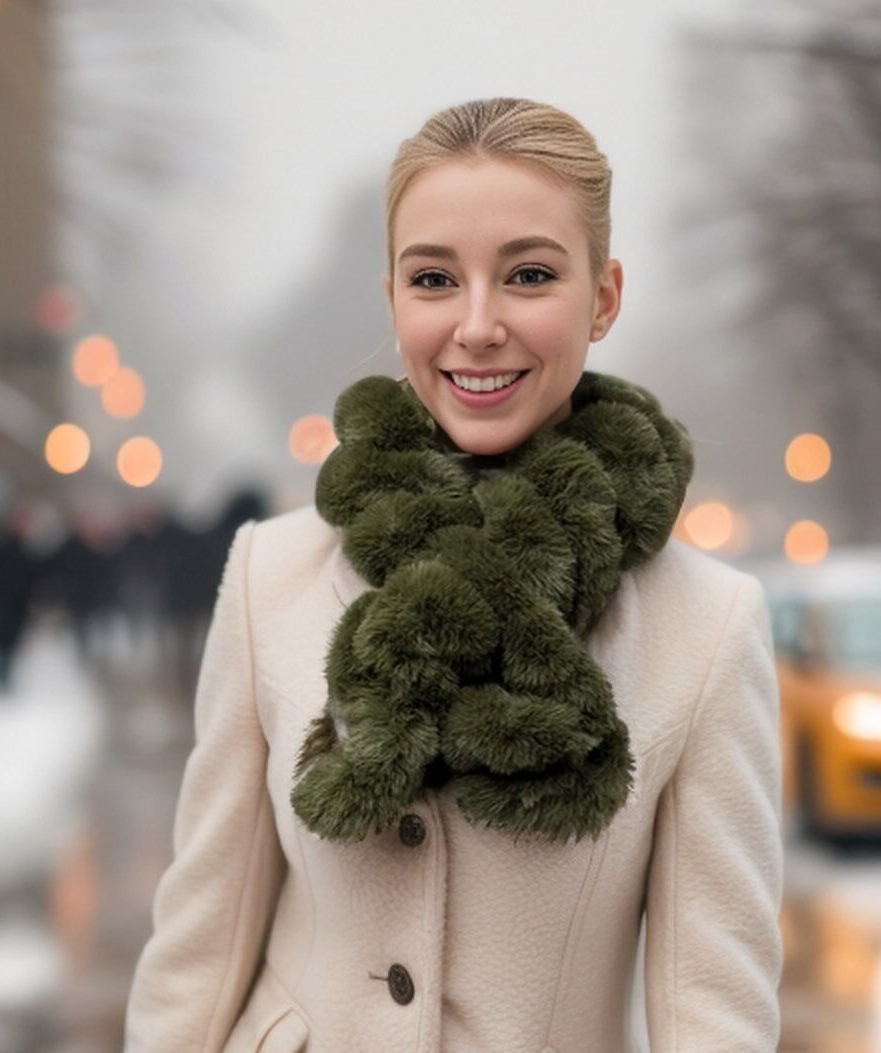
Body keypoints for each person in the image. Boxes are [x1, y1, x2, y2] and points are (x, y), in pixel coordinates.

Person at [123, 97, 783, 1052]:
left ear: (603, 297)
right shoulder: (269, 574)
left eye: (528, 275)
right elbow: (197, 951)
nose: (477, 326)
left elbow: (714, 1011)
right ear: (392, 295)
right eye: (434, 277)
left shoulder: (709, 625)